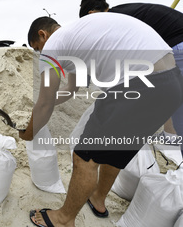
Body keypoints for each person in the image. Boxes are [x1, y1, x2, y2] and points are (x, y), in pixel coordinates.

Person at [20, 14, 183, 227]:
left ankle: (63, 219)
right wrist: (47, 104)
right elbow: (69, 91)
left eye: (38, 48)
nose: (40, 53)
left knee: (84, 156)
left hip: (139, 84)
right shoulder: (78, 37)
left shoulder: (56, 44)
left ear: (43, 34)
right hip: (172, 84)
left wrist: (29, 132)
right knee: (116, 148)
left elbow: (44, 104)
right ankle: (97, 199)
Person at [79, 0, 183, 154]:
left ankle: (172, 139)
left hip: (177, 45)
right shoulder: (120, 15)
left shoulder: (113, 22)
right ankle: (170, 136)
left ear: (92, 14)